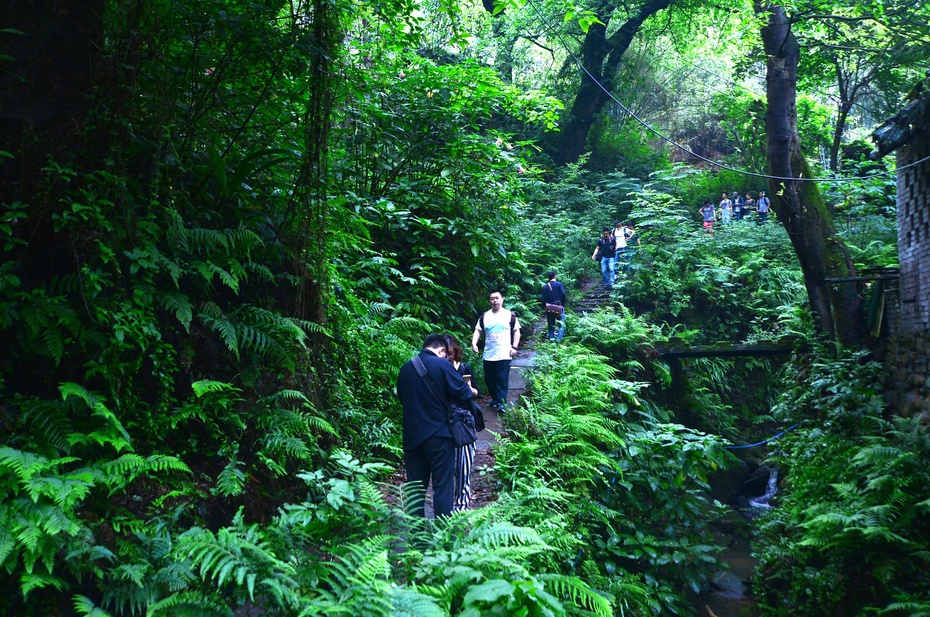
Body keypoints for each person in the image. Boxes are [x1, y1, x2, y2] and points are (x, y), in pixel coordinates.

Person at [396, 334, 476, 518]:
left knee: (415, 490)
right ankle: (443, 537)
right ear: (440, 350)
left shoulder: (406, 368)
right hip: (439, 436)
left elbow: (403, 398)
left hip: (412, 437)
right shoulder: (442, 365)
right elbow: (465, 392)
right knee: (442, 487)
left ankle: (418, 539)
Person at [443, 335, 483, 512]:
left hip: (464, 423)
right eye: (445, 354)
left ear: (456, 352)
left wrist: (469, 390)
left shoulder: (464, 368)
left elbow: (476, 392)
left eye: (450, 353)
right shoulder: (438, 371)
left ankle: (461, 507)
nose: (448, 357)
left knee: (463, 468)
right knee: (448, 468)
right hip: (444, 423)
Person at [471, 289, 521, 413]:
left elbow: (516, 331)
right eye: (492, 298)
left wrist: (514, 347)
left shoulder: (509, 315)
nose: (495, 301)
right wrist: (474, 343)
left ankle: (501, 403)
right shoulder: (485, 316)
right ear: (489, 301)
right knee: (489, 379)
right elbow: (478, 330)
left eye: (497, 298)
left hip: (504, 354)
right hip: (489, 354)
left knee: (501, 379)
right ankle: (495, 398)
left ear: (502, 299)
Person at [541, 270, 567, 342]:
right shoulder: (559, 284)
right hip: (558, 307)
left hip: (549, 308)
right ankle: (559, 339)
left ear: (548, 278)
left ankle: (551, 341)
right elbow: (563, 294)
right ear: (555, 276)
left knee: (551, 325)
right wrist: (563, 304)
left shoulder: (545, 287)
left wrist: (544, 307)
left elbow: (543, 299)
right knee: (561, 324)